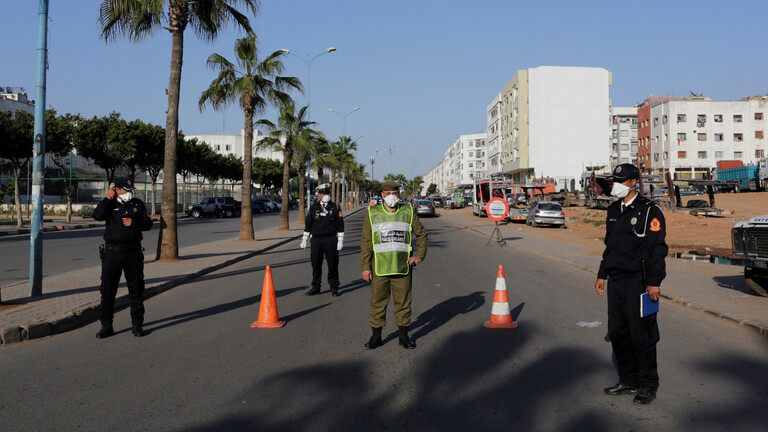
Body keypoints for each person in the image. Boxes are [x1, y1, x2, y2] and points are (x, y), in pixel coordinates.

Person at [595, 163, 667, 405]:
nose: (615, 185)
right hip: (616, 281)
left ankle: (647, 384)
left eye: (621, 181)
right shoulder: (614, 210)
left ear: (634, 182)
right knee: (618, 333)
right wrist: (602, 274)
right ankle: (627, 380)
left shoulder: (649, 211)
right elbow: (610, 247)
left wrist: (654, 282)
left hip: (640, 283)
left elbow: (657, 249)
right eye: (614, 181)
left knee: (642, 334)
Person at [360, 181, 428, 349]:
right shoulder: (372, 213)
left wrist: (419, 256)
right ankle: (376, 336)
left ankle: (403, 337)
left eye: (395, 193)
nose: (391, 196)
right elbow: (366, 242)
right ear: (382, 195)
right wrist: (365, 267)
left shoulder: (408, 211)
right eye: (388, 193)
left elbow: (422, 234)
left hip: (402, 267)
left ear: (399, 194)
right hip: (379, 268)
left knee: (403, 303)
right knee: (378, 303)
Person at [93, 177, 153, 339]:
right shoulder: (110, 204)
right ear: (116, 189)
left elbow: (148, 224)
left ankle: (137, 325)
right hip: (112, 253)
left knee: (136, 290)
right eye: (126, 190)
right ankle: (106, 326)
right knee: (107, 291)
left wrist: (135, 223)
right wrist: (107, 198)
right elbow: (97, 216)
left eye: (131, 190)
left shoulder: (137, 204)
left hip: (133, 253)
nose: (129, 193)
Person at [301, 183, 345, 296]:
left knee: (332, 264)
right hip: (316, 240)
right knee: (316, 264)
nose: (326, 196)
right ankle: (316, 287)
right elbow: (308, 224)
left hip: (330, 239)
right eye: (324, 194)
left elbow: (340, 224)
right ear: (319, 195)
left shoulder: (335, 207)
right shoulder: (313, 207)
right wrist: (304, 239)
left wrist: (340, 240)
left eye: (327, 193)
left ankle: (334, 287)